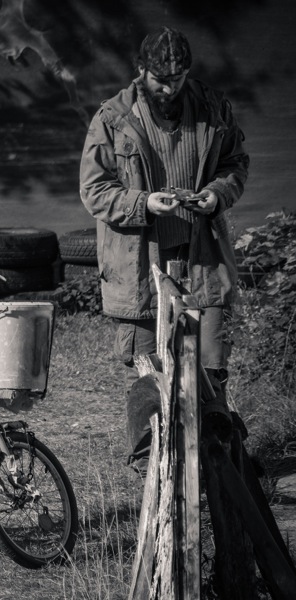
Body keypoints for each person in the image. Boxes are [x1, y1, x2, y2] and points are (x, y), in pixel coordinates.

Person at [79, 27, 249, 472]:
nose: (170, 89)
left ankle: (217, 470)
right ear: (141, 71)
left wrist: (216, 194)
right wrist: (144, 203)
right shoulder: (113, 118)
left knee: (210, 371)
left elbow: (235, 164)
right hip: (141, 268)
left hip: (203, 262)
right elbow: (94, 191)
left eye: (178, 79)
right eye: (160, 80)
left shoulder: (212, 108)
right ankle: (154, 469)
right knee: (151, 375)